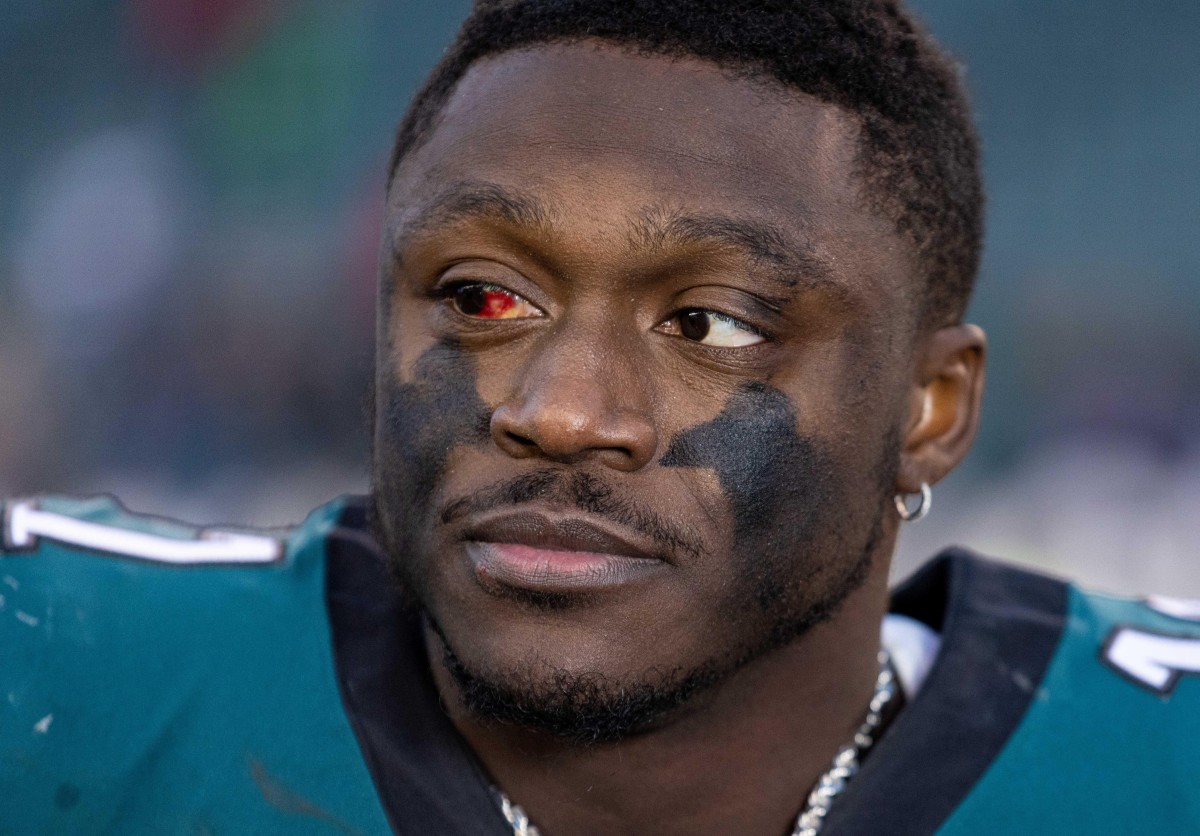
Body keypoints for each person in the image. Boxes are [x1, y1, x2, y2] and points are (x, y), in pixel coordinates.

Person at [3, 0, 1199, 833]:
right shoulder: (60, 668)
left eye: (712, 324)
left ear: (931, 410)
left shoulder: (1157, 764)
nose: (562, 411)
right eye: (483, 298)